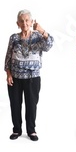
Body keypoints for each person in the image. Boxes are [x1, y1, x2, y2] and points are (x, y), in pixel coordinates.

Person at [4, 10, 54, 141]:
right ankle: (16, 130)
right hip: (15, 77)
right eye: (22, 20)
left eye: (27, 20)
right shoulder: (14, 38)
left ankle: (31, 130)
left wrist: (42, 30)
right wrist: (8, 73)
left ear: (31, 22)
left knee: (31, 105)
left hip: (33, 78)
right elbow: (8, 56)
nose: (24, 23)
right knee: (15, 104)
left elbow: (49, 45)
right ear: (17, 23)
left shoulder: (38, 36)